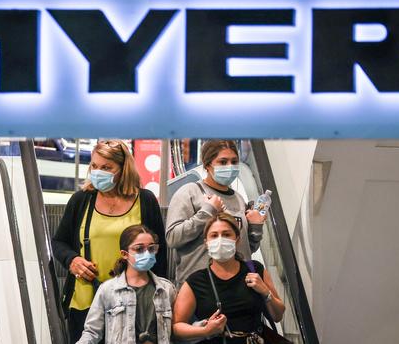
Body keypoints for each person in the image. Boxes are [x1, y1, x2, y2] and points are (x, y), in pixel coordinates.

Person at [52, 140, 167, 343]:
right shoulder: (81, 200)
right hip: (86, 300)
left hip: (135, 301)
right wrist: (72, 261)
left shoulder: (146, 201)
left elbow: (160, 255)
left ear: (123, 170)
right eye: (95, 166)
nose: (98, 172)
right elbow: (59, 242)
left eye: (106, 167)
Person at [172, 213, 285, 344]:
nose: (220, 240)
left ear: (237, 239)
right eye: (214, 235)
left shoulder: (255, 269)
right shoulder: (196, 281)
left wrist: (266, 292)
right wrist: (205, 331)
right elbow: (177, 327)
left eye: (226, 234)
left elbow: (278, 315)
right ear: (206, 243)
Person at [166, 139, 265, 287]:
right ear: (207, 165)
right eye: (223, 162)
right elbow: (173, 238)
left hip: (236, 284)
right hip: (199, 287)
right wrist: (207, 211)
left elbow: (244, 248)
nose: (230, 167)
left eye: (234, 161)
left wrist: (256, 228)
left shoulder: (238, 199)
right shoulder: (190, 192)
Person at [76, 225, 176, 344]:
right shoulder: (108, 290)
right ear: (124, 254)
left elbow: (178, 328)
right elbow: (92, 332)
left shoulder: (166, 289)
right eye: (139, 249)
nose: (147, 253)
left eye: (151, 248)